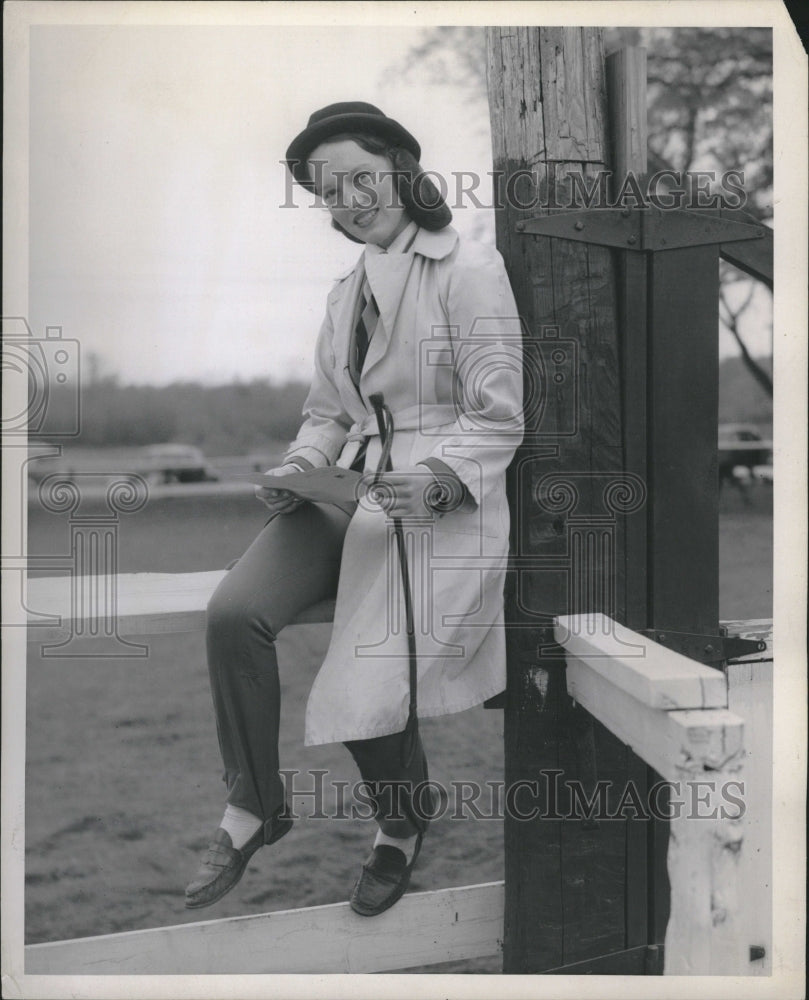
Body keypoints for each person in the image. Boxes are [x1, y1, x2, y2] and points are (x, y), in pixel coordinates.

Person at [185, 102, 524, 917]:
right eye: (327, 192)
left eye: (358, 178)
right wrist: (298, 465)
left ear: (401, 169)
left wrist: (440, 478)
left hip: (435, 503)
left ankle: (401, 827)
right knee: (234, 614)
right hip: (348, 492)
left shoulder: (466, 270)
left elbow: (500, 411)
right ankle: (255, 804)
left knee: (364, 671)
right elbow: (327, 413)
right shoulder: (344, 293)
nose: (346, 201)